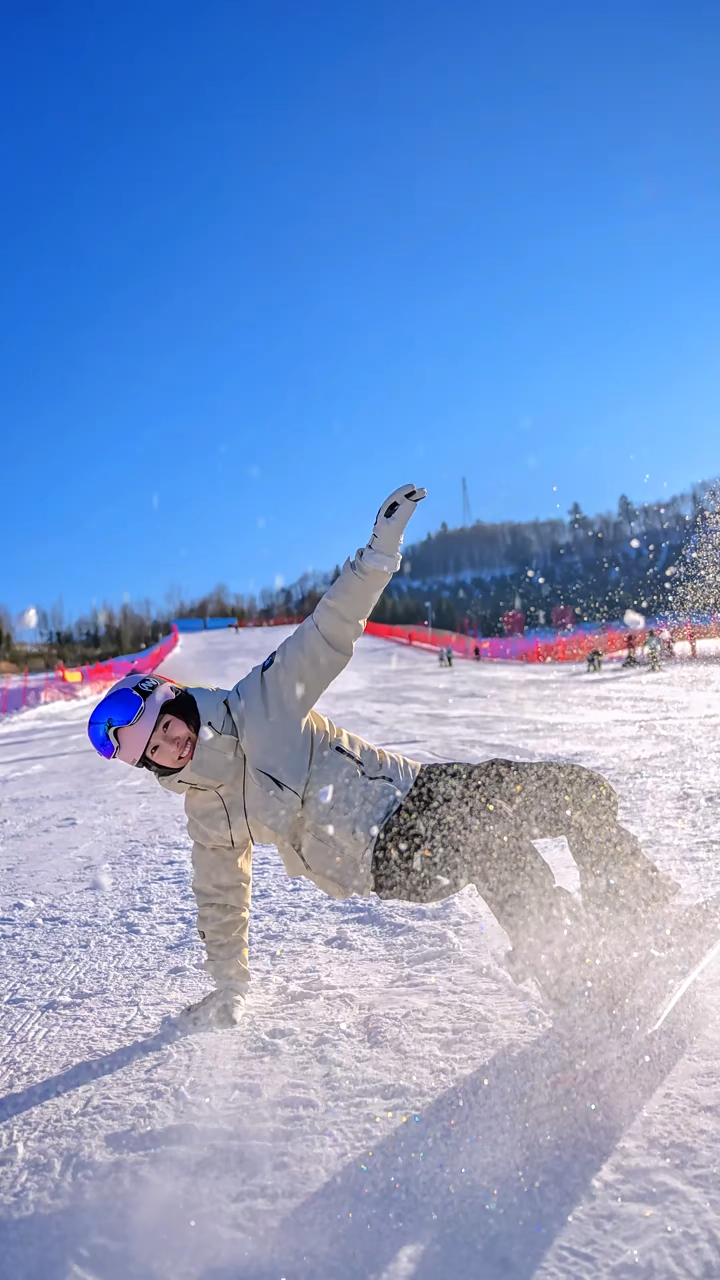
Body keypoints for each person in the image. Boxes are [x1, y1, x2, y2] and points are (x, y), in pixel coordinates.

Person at [88, 485, 679, 1030]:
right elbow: (221, 899)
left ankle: (642, 915)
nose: (174, 747)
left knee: (581, 793)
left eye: (167, 728)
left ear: (177, 703)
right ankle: (581, 985)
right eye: (157, 753)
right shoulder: (209, 815)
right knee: (488, 840)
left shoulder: (259, 702)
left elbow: (328, 629)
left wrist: (378, 553)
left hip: (423, 786)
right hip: (382, 854)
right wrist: (229, 983)